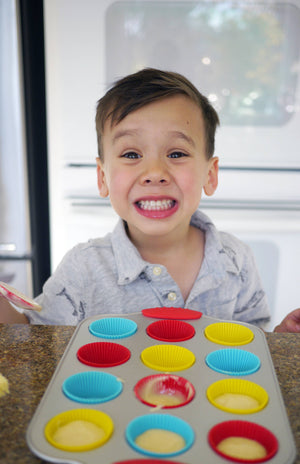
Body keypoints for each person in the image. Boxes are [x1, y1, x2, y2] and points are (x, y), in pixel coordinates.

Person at [0, 68, 299, 331]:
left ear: (210, 175)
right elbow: (35, 344)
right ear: (102, 177)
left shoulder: (237, 261)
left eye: (177, 154)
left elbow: (250, 346)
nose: (155, 173)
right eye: (131, 154)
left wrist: (281, 341)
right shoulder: (82, 269)